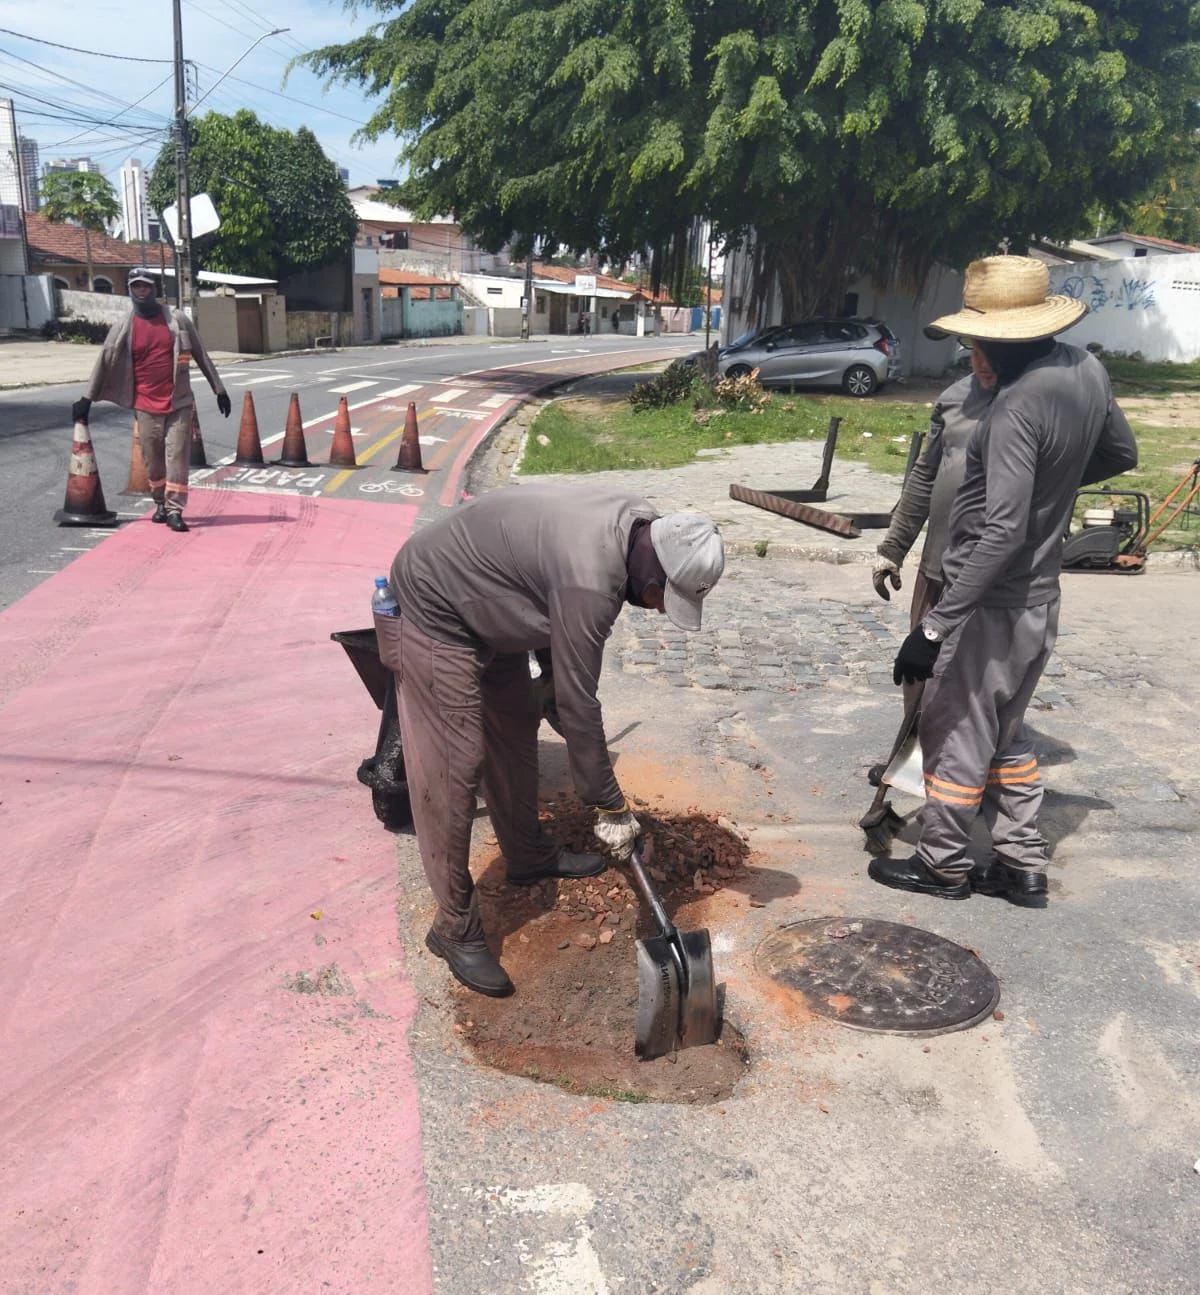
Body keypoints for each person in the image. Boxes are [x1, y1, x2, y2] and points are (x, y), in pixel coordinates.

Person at [375, 484, 725, 996]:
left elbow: (556, 625)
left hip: (491, 601)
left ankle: (527, 854)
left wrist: (554, 691)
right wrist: (610, 806)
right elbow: (583, 706)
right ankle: (453, 926)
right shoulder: (593, 582)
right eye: (660, 598)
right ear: (653, 571)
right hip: (435, 603)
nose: (655, 610)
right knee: (456, 762)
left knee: (516, 723)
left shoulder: (642, 524)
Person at [871, 256, 1137, 907]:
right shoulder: (1086, 370)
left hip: (987, 600)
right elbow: (1118, 452)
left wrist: (936, 624)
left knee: (955, 727)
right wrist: (1057, 480)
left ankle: (943, 864)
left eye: (976, 343)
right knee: (1008, 734)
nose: (971, 355)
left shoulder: (1017, 407)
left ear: (1004, 341)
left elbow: (1002, 530)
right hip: (1038, 600)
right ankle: (1021, 862)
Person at [872, 345, 998, 715]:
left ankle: (960, 767)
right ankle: (908, 760)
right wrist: (892, 549)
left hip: (989, 576)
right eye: (977, 351)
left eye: (995, 352)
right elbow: (926, 475)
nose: (985, 362)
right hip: (937, 566)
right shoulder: (954, 398)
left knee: (970, 684)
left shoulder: (1028, 405)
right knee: (917, 668)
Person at [71, 268, 231, 533]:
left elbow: (201, 354)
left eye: (146, 286)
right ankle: (159, 502)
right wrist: (87, 398)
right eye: (137, 287)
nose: (142, 291)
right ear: (131, 290)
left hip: (178, 402)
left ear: (153, 289)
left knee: (177, 457)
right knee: (152, 461)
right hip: (144, 404)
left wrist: (219, 390)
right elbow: (105, 360)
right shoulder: (125, 325)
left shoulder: (176, 319)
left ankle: (175, 510)